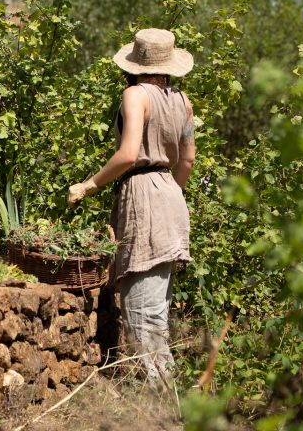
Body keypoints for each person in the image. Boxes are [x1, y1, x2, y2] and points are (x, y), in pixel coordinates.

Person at [67, 28, 196, 383]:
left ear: (134, 65)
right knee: (158, 308)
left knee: (144, 312)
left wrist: (88, 185)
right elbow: (187, 161)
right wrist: (170, 194)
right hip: (171, 193)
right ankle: (168, 398)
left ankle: (164, 404)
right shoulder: (183, 101)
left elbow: (127, 154)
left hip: (143, 194)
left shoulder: (135, 95)